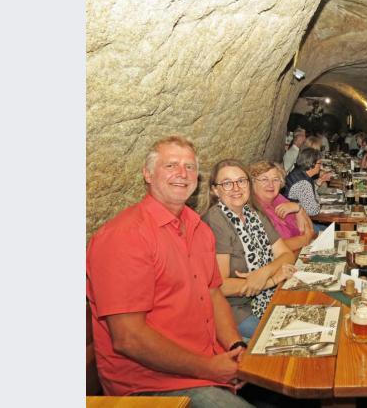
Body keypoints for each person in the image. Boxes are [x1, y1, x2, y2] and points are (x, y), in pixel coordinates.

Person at [86, 136, 255, 406]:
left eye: (189, 167)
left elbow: (213, 295)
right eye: (171, 165)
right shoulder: (123, 236)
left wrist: (235, 346)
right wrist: (210, 368)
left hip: (206, 362)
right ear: (147, 174)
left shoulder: (198, 228)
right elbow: (129, 338)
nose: (182, 174)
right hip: (151, 385)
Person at [202, 159, 297, 339]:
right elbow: (220, 286)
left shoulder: (254, 213)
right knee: (287, 337)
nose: (236, 188)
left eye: (241, 181)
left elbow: (286, 255)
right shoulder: (215, 222)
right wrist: (270, 280)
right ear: (215, 190)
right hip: (236, 309)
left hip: (269, 295)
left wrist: (264, 272)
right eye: (227, 183)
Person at [250, 160, 315, 252]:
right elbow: (273, 248)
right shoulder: (253, 209)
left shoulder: (279, 199)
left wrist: (299, 208)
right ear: (253, 183)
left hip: (300, 253)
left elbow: (309, 229)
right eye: (264, 179)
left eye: (275, 179)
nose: (271, 184)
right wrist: (306, 239)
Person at [283, 147, 332, 217]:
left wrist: (320, 181)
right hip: (296, 222)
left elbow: (306, 194)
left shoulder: (299, 172)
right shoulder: (303, 183)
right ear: (312, 164)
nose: (321, 167)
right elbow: (313, 211)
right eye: (319, 163)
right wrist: (319, 202)